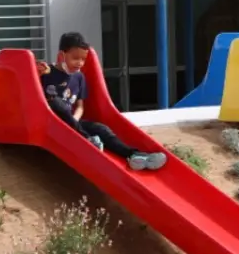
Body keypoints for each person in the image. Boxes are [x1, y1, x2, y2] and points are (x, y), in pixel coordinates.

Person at [37, 32, 166, 171]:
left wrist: (74, 120)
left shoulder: (79, 77)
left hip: (73, 123)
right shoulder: (48, 72)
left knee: (101, 129)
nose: (80, 63)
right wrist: (38, 72)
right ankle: (88, 140)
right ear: (62, 55)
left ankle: (134, 155)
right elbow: (34, 86)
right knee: (56, 102)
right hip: (53, 123)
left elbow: (80, 106)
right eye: (75, 58)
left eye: (83, 59)